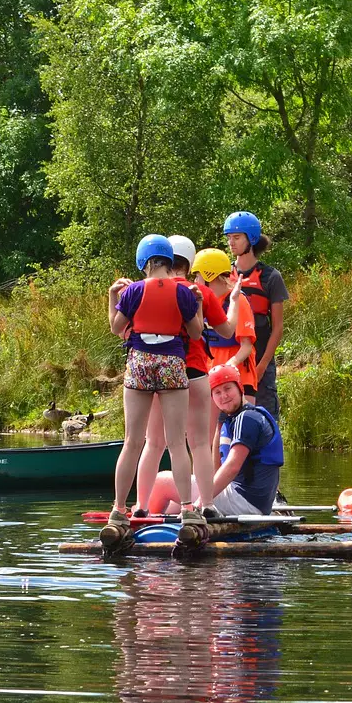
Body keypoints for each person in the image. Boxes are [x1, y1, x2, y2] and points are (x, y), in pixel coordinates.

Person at [103, 235, 206, 549]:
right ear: (168, 260)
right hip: (173, 365)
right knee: (177, 443)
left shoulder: (132, 291)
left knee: (133, 442)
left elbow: (116, 327)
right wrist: (198, 304)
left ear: (144, 261)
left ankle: (119, 511)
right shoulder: (183, 292)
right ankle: (188, 511)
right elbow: (197, 331)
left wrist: (112, 297)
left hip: (139, 364)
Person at [132, 236, 240, 516]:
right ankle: (206, 504)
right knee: (200, 443)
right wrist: (236, 301)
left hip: (160, 377)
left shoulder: (147, 290)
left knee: (154, 443)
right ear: (189, 262)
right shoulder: (195, 291)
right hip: (195, 374)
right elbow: (227, 331)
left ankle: (142, 506)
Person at [150, 364, 284, 517]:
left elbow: (232, 466)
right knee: (176, 503)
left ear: (240, 387)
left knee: (162, 482)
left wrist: (201, 504)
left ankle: (144, 526)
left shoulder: (247, 418)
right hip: (251, 501)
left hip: (244, 501)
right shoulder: (235, 418)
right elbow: (217, 470)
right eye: (217, 392)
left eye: (228, 389)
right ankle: (158, 518)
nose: (224, 396)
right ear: (212, 398)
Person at [224, 211, 288, 420]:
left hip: (260, 359)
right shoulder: (224, 275)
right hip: (231, 358)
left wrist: (261, 366)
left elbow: (277, 328)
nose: (231, 243)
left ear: (251, 239)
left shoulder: (271, 276)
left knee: (264, 420)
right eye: (229, 237)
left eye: (236, 237)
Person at [192, 247, 258, 402]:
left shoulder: (237, 301)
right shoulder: (204, 301)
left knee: (240, 425)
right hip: (212, 374)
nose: (195, 281)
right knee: (214, 426)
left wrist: (229, 365)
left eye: (197, 276)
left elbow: (247, 346)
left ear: (210, 276)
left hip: (239, 376)